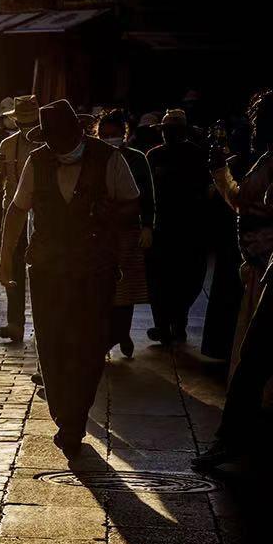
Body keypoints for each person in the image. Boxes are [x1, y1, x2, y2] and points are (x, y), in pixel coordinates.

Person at [0, 99, 140, 456]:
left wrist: (110, 213)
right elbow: (16, 211)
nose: (60, 147)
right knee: (51, 342)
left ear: (79, 132)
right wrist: (5, 260)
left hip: (94, 269)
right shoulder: (38, 160)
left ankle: (74, 420)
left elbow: (132, 205)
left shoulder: (110, 159)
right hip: (47, 268)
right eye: (54, 141)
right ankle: (65, 414)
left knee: (90, 344)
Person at [194, 89, 273, 469]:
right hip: (263, 265)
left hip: (268, 267)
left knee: (254, 358)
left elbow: (245, 202)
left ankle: (231, 440)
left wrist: (221, 173)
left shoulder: (271, 163)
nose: (255, 129)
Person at [145, 108, 211, 344]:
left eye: (172, 131)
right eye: (166, 131)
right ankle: (163, 325)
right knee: (158, 279)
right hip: (160, 227)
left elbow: (206, 192)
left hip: (187, 228)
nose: (168, 135)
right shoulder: (153, 156)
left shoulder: (198, 156)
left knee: (185, 278)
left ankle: (177, 322)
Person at [98, 109, 155, 358]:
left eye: (114, 134)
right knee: (103, 288)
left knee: (126, 290)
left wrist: (147, 226)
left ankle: (123, 333)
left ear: (125, 134)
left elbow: (147, 196)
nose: (109, 138)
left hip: (129, 229)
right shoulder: (94, 157)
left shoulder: (137, 159)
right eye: (104, 134)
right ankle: (110, 335)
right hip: (100, 231)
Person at [0, 95, 40, 337]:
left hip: (42, 217)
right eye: (22, 123)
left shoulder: (49, 144)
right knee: (12, 266)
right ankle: (15, 323)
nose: (27, 128)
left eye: (32, 123)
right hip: (13, 211)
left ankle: (44, 326)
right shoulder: (7, 145)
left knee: (43, 271)